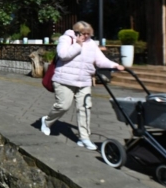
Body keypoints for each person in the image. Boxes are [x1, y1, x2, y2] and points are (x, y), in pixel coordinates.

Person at [39, 21, 125, 150]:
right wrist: (78, 45)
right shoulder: (66, 39)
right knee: (63, 105)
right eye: (83, 34)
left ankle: (84, 138)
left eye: (88, 34)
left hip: (84, 81)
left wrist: (114, 65)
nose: (86, 36)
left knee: (85, 108)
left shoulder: (91, 44)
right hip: (64, 80)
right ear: (76, 32)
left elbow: (100, 60)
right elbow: (63, 55)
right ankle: (47, 122)